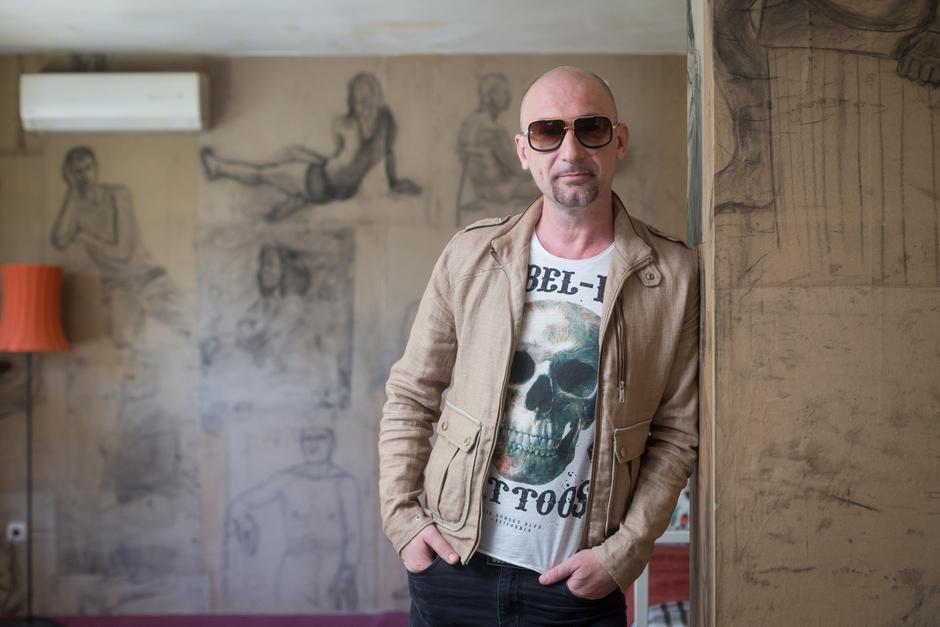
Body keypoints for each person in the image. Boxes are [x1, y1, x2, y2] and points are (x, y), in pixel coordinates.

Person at [379, 66, 699, 626]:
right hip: (454, 569)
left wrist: (623, 553)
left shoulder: (672, 276)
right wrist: (403, 520)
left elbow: (676, 433)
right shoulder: (471, 257)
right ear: (523, 150)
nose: (571, 150)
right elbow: (412, 392)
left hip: (575, 587)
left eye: (590, 128)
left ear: (619, 140)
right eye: (548, 132)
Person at [201, 72, 422, 222]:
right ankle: (276, 214)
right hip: (343, 191)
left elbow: (339, 160)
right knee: (294, 161)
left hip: (319, 181)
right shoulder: (386, 123)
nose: (361, 107)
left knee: (263, 173)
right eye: (358, 102)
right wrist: (394, 182)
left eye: (363, 101)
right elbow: (385, 154)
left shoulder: (347, 125)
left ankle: (217, 168)